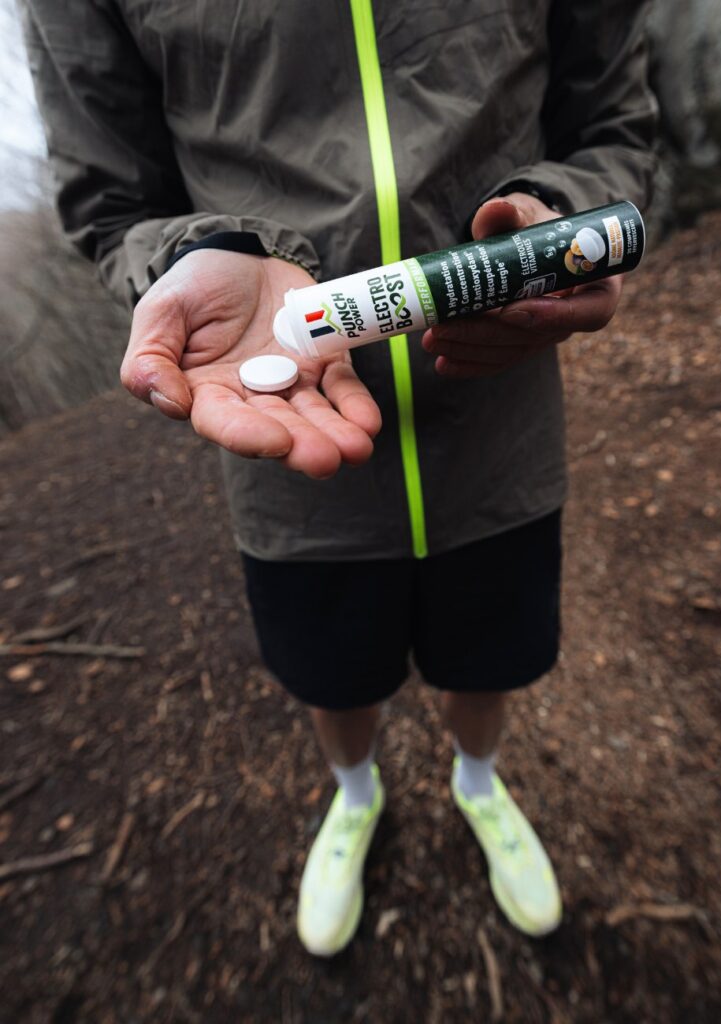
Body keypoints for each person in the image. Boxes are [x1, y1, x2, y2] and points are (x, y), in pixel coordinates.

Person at [21, 1, 656, 955]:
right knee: (332, 670)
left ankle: (476, 782)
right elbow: (110, 200)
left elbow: (611, 124)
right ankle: (356, 798)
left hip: (499, 420)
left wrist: (557, 227)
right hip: (283, 442)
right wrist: (200, 254)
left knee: (492, 657)